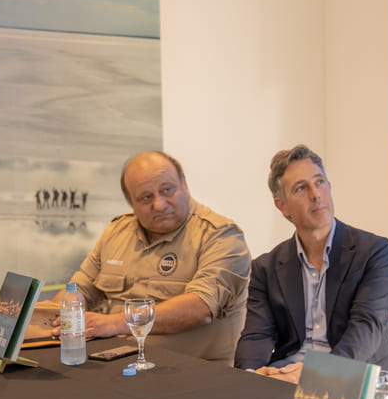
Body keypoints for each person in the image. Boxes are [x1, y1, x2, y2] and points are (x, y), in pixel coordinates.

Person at [57, 151, 251, 363]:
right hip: (116, 363)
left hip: (192, 371)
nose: (160, 205)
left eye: (167, 190)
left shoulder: (221, 235)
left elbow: (200, 307)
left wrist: (114, 323)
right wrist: (56, 317)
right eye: (146, 197)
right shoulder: (116, 232)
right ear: (131, 203)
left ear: (184, 185)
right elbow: (79, 290)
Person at [233, 145, 388, 384]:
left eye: (320, 182)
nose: (315, 194)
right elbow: (256, 335)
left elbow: (367, 328)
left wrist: (315, 375)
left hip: (353, 374)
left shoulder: (373, 251)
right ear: (282, 206)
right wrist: (252, 377)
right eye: (301, 188)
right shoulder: (266, 268)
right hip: (288, 377)